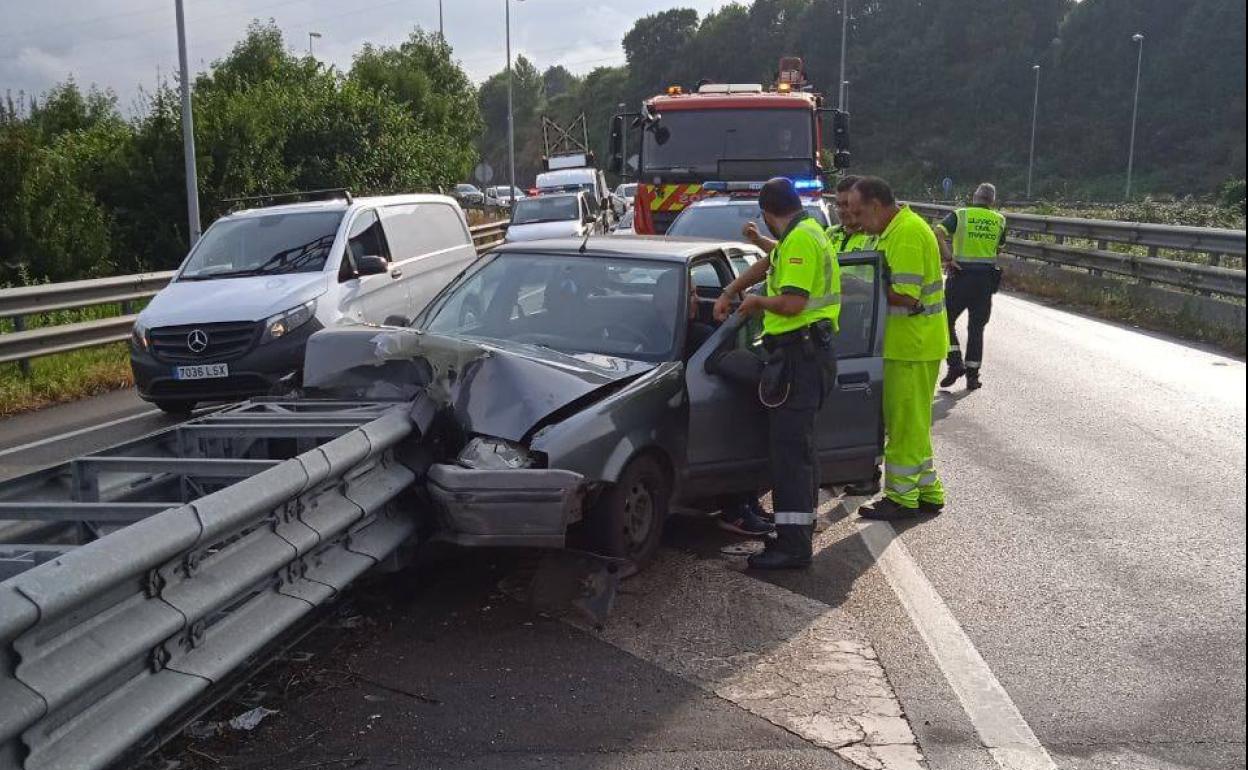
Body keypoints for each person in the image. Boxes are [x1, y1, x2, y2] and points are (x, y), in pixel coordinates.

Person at [713, 178, 841, 569]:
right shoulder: (803, 233)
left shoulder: (801, 238)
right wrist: (731, 289)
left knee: (791, 457)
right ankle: (798, 532)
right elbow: (769, 263)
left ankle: (793, 547)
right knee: (799, 452)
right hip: (804, 356)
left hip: (799, 359)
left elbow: (790, 302)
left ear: (768, 214)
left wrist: (752, 303)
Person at [846, 177, 948, 521]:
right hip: (913, 344)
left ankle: (901, 499)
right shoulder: (897, 230)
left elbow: (906, 295)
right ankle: (928, 491)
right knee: (914, 425)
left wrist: (858, 285)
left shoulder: (905, 235)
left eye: (860, 212)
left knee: (903, 426)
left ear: (877, 204)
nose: (856, 220)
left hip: (910, 345)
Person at [679, 275, 775, 537]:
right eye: (691, 294)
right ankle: (736, 507)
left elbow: (731, 359)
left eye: (697, 292)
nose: (696, 299)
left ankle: (743, 504)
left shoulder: (704, 334)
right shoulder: (678, 334)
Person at [934, 182, 1007, 391]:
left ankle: (955, 363)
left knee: (945, 320)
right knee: (977, 328)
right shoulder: (999, 220)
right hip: (985, 280)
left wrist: (948, 257)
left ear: (975, 196)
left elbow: (937, 232)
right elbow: (999, 248)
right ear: (992, 201)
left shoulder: (961, 214)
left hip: (960, 275)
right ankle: (973, 377)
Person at [742, 175, 873, 258]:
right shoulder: (831, 234)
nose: (842, 210)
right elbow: (790, 252)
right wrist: (758, 240)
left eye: (847, 204)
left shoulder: (875, 237)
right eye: (838, 205)